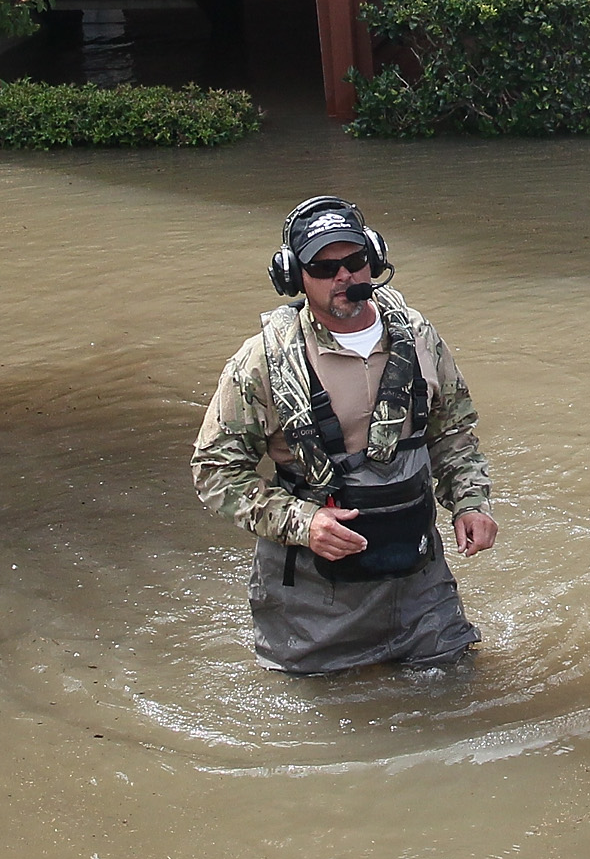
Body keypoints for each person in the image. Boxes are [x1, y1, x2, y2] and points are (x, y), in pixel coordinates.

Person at [192, 196, 497, 674]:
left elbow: (452, 430)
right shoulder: (261, 364)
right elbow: (215, 471)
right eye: (324, 266)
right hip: (313, 605)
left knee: (461, 687)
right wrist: (302, 522)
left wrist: (470, 502)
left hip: (418, 586)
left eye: (355, 262)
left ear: (373, 260)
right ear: (295, 277)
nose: (345, 277)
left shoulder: (419, 339)